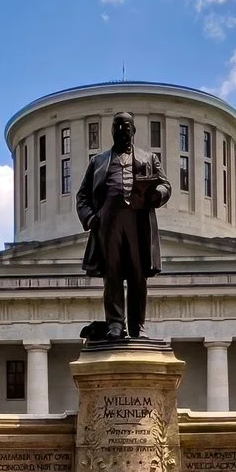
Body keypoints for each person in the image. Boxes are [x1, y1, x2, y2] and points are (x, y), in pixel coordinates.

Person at [76, 113, 171, 342]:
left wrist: (158, 194)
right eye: (117, 126)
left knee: (138, 276)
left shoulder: (149, 159)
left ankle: (137, 326)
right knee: (113, 275)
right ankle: (116, 324)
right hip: (108, 224)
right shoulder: (98, 162)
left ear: (133, 130)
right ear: (112, 131)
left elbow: (165, 185)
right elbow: (82, 196)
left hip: (138, 224)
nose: (122, 130)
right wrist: (90, 218)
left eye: (126, 126)